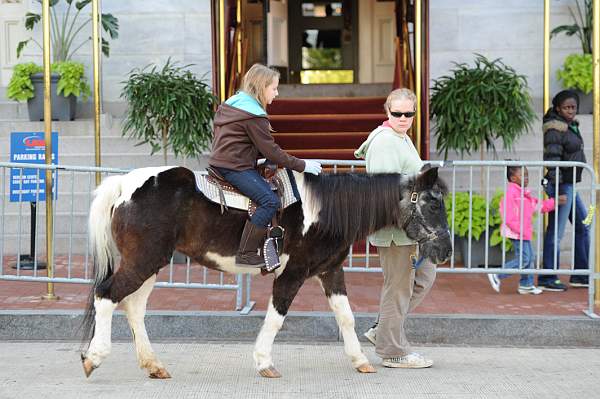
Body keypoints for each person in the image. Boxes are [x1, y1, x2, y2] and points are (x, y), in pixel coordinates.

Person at [208, 63, 322, 268]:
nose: (276, 93)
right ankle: (246, 253)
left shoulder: (230, 105)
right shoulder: (253, 114)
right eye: (274, 88)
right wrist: (302, 165)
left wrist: (251, 156)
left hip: (223, 163)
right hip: (235, 168)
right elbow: (271, 151)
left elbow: (234, 140)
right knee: (269, 201)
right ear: (262, 87)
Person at [354, 88, 435, 369]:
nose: (403, 118)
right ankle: (392, 351)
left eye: (408, 113)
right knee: (398, 288)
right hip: (396, 230)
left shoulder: (400, 137)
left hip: (406, 227)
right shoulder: (387, 142)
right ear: (387, 112)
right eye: (396, 113)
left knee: (423, 276)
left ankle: (384, 329)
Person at [539, 90, 590, 291]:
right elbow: (553, 160)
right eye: (567, 107)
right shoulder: (554, 128)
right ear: (558, 108)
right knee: (556, 232)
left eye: (574, 107)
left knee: (584, 225)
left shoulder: (571, 126)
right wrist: (557, 191)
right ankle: (548, 278)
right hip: (561, 186)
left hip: (570, 185)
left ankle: (579, 274)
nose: (571, 111)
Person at [487, 165, 566, 295]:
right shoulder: (511, 193)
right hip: (517, 233)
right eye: (523, 175)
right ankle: (497, 274)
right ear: (513, 178)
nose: (526, 178)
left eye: (527, 175)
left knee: (530, 258)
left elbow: (538, 206)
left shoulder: (524, 194)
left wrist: (555, 201)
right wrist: (520, 230)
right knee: (524, 259)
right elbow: (508, 216)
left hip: (523, 233)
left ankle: (526, 284)